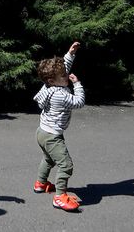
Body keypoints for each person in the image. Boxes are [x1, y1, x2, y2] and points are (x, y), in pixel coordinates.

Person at [32, 41, 85, 212]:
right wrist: (77, 84)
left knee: (48, 159)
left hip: (42, 132)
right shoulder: (60, 95)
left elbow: (63, 68)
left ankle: (40, 183)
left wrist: (70, 53)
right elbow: (79, 102)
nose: (67, 77)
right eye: (64, 76)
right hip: (52, 136)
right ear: (52, 80)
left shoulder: (49, 85)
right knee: (66, 165)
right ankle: (60, 196)